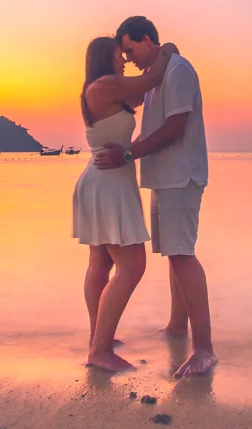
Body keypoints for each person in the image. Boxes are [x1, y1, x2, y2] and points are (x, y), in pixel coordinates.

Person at [95, 16, 216, 378]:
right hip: (165, 178)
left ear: (147, 40)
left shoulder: (177, 70)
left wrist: (129, 154)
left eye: (130, 49)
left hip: (182, 176)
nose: (128, 58)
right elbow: (137, 95)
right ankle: (178, 326)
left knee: (182, 255)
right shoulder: (157, 77)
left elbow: (176, 127)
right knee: (172, 255)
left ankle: (205, 349)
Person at [74, 35, 179, 372]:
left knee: (101, 263)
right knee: (132, 266)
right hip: (107, 183)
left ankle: (98, 338)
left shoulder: (108, 89)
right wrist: (166, 52)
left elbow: (146, 91)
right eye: (121, 54)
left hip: (107, 178)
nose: (124, 60)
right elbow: (150, 80)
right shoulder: (104, 84)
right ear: (107, 57)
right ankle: (100, 350)